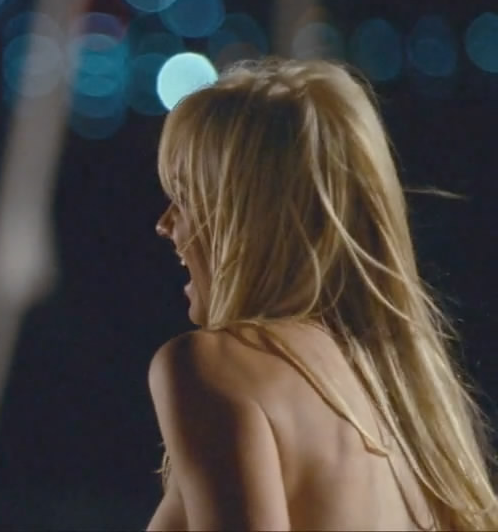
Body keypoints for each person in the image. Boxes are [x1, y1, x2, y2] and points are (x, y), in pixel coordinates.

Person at [145, 58, 498, 530]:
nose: (165, 224)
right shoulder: (411, 411)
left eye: (187, 197)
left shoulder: (213, 368)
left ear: (247, 216)